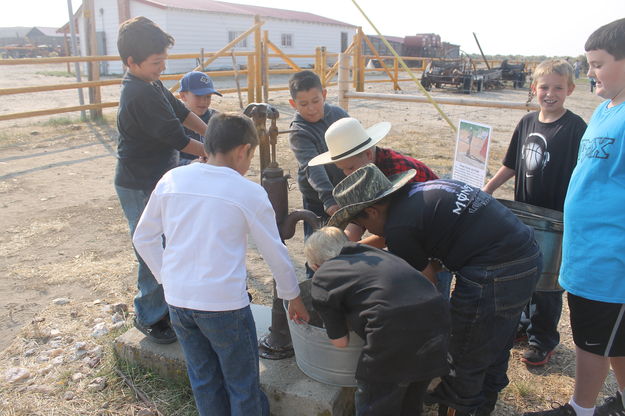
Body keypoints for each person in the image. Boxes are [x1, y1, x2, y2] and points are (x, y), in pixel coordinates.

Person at [328, 164, 542, 416]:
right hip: (524, 255)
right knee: (494, 339)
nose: (364, 231)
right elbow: (392, 235)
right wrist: (349, 250)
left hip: (495, 271)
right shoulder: (412, 197)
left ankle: (462, 405)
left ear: (373, 211)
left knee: (464, 352)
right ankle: (485, 400)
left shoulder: (401, 227)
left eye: (359, 224)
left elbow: (425, 284)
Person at [132, 113, 309, 416]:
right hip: (224, 306)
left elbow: (144, 238)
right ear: (243, 150)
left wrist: (167, 279)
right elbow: (275, 253)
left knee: (203, 379)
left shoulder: (173, 178)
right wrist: (293, 296)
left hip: (178, 302)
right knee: (242, 384)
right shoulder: (248, 191)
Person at [524, 18, 625, 416]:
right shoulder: (605, 110)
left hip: (611, 258)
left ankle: (579, 409)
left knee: (592, 340)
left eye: (598, 63)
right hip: (586, 250)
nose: (590, 72)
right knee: (614, 339)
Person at [483, 59, 587, 367]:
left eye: (558, 87)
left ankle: (543, 339)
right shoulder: (527, 121)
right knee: (524, 274)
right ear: (534, 89)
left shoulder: (575, 127)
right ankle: (523, 326)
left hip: (555, 219)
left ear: (569, 89)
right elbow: (512, 163)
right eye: (544, 87)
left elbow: (583, 172)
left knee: (548, 283)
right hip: (523, 215)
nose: (550, 93)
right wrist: (488, 189)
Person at [115, 16, 209, 344]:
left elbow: (182, 113)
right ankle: (149, 314)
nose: (162, 67)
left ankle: (169, 303)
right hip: (139, 183)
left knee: (170, 241)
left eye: (163, 60)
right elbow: (176, 137)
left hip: (158, 179)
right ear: (132, 62)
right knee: (150, 245)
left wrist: (212, 135)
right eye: (156, 62)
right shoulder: (137, 93)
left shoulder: (151, 83)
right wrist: (216, 152)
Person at [305, 226, 450, 416]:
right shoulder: (375, 254)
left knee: (376, 404)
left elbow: (340, 342)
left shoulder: (323, 276)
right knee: (410, 406)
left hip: (392, 338)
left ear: (316, 266)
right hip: (436, 326)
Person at [258, 70, 348, 359]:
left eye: (316, 100)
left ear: (325, 94)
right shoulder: (299, 131)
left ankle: (341, 303)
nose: (311, 108)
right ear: (292, 103)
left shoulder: (338, 115)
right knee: (317, 255)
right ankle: (318, 305)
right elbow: (313, 168)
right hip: (318, 199)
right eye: (304, 103)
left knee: (344, 251)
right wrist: (328, 200)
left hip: (344, 193)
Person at [307, 117, 450, 295]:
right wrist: (336, 250)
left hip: (436, 238)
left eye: (350, 168)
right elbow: (358, 218)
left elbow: (395, 232)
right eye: (342, 169)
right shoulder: (361, 172)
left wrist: (347, 253)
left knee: (429, 291)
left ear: (368, 154)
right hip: (408, 236)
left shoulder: (399, 171)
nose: (346, 174)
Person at [178, 71, 222, 165]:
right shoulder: (174, 122)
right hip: (184, 175)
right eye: (198, 96)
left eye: (208, 96)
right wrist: (189, 163)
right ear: (183, 96)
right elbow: (167, 158)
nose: (204, 101)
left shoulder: (217, 119)